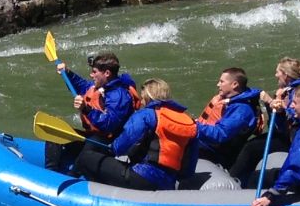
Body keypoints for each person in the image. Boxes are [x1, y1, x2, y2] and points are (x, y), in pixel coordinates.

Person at [66, 78, 197, 190]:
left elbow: (120, 147)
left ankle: (73, 189)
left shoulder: (146, 115)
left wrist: (112, 147)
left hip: (142, 177)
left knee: (86, 157)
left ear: (148, 96)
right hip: (168, 183)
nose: (142, 101)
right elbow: (189, 168)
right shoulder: (189, 121)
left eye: (143, 96)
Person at [45, 51, 142, 171]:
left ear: (107, 73)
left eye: (94, 72)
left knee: (94, 141)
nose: (91, 75)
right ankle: (50, 173)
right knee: (55, 132)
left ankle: (73, 176)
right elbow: (83, 86)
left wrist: (86, 108)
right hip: (93, 138)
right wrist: (68, 73)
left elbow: (109, 124)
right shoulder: (101, 86)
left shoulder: (119, 96)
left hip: (108, 145)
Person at [230, 56, 300, 185]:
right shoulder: (293, 90)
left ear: (285, 75)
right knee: (253, 144)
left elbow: (291, 120)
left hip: (297, 139)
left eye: (277, 72)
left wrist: (276, 105)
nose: (275, 75)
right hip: (290, 134)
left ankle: (235, 180)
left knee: (252, 148)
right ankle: (240, 176)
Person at [193, 66, 263, 173]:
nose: (218, 84)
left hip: (220, 154)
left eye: (222, 82)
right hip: (211, 146)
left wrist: (194, 126)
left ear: (234, 84)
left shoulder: (242, 110)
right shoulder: (232, 102)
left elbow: (221, 134)